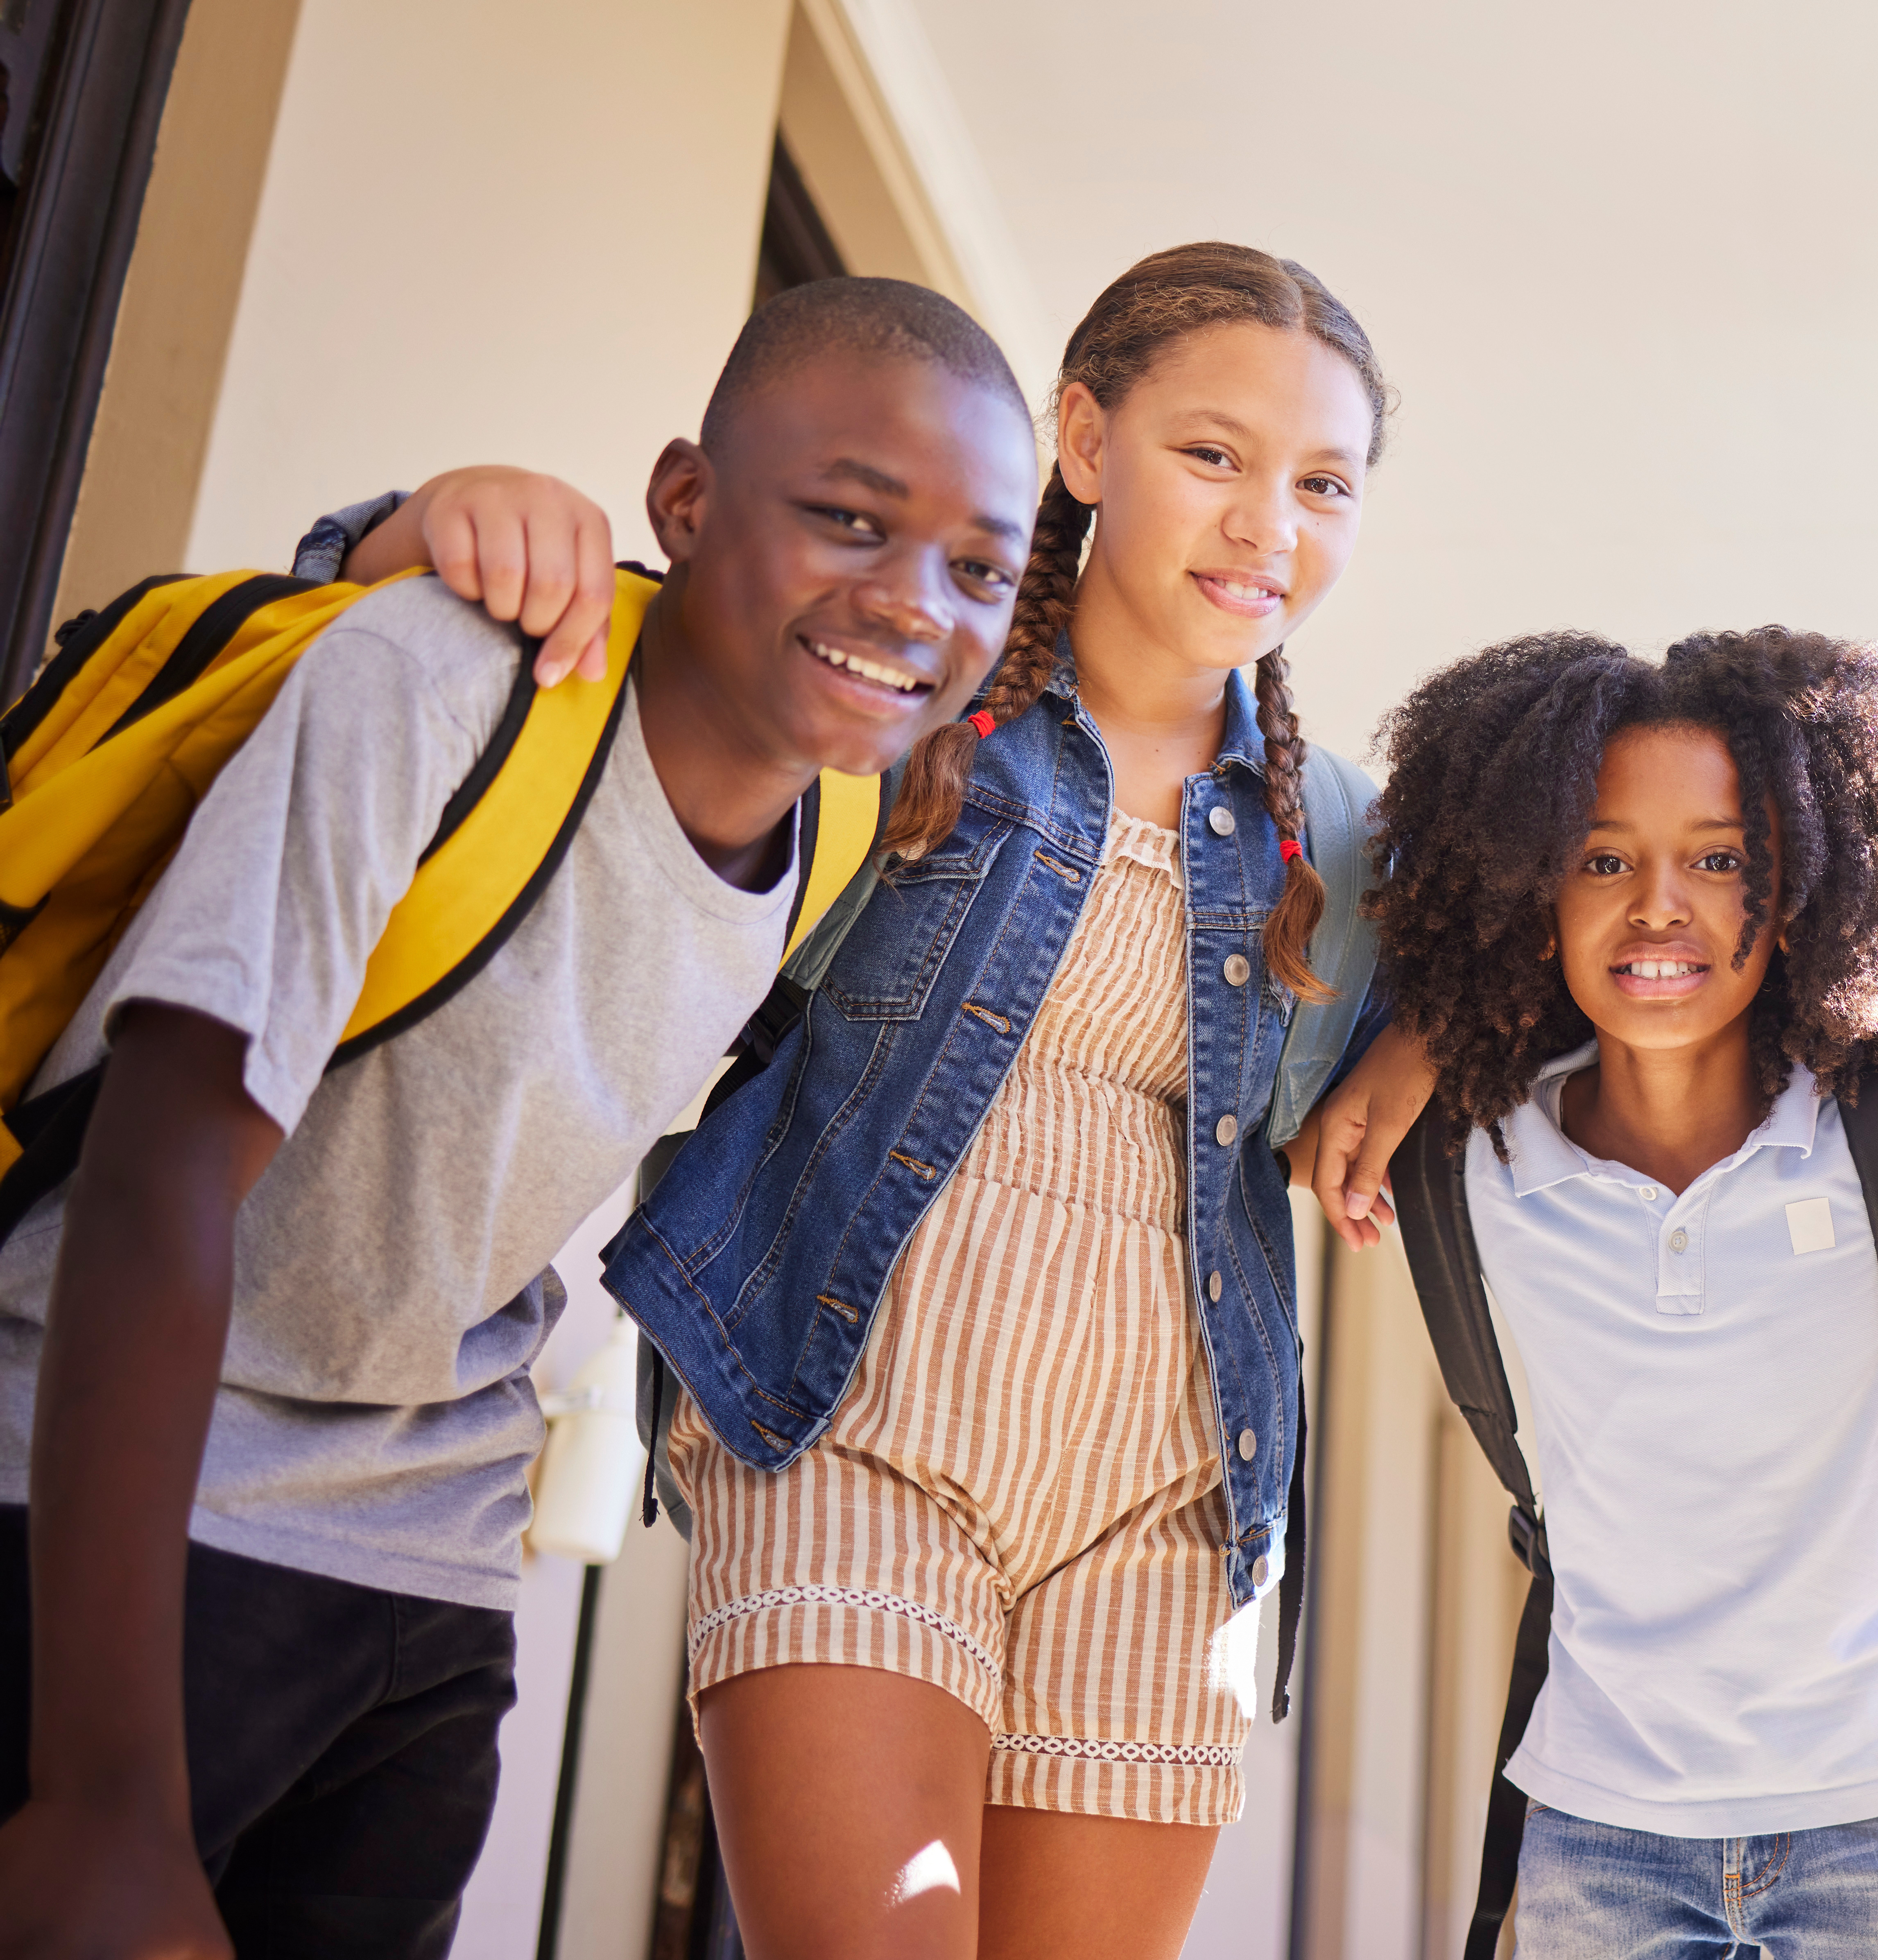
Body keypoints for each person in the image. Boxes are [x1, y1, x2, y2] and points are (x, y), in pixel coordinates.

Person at [0, 276, 1038, 1958]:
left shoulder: (837, 833)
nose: (916, 603)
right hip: (132, 1520)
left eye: (978, 568)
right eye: (849, 520)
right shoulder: (443, 683)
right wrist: (102, 1792)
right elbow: (156, 1175)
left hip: (432, 1571)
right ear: (686, 502)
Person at [596, 243, 1392, 1959]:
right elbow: (638, 670)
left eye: (1324, 482)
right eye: (1215, 456)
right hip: (851, 1425)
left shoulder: (1339, 828)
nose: (1271, 526)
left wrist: (1409, 1047)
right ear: (1087, 443)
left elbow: (1550, 975)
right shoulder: (909, 689)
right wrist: (406, 527)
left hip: (1159, 1500)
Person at [1352, 626, 1878, 1956]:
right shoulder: (1471, 1157)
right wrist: (1417, 1023)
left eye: (1722, 860)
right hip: (1600, 1833)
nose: (1662, 905)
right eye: (1603, 859)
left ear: (1812, 890)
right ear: (1533, 891)